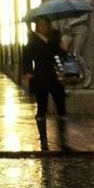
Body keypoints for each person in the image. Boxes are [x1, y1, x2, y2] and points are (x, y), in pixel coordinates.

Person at [22, 15, 71, 152]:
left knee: (61, 107)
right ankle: (43, 140)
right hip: (40, 77)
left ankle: (63, 140)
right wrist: (28, 72)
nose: (42, 27)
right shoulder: (32, 39)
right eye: (40, 25)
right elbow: (26, 57)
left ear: (49, 25)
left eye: (44, 24)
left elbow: (60, 55)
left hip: (56, 77)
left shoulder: (55, 36)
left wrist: (63, 49)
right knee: (41, 108)